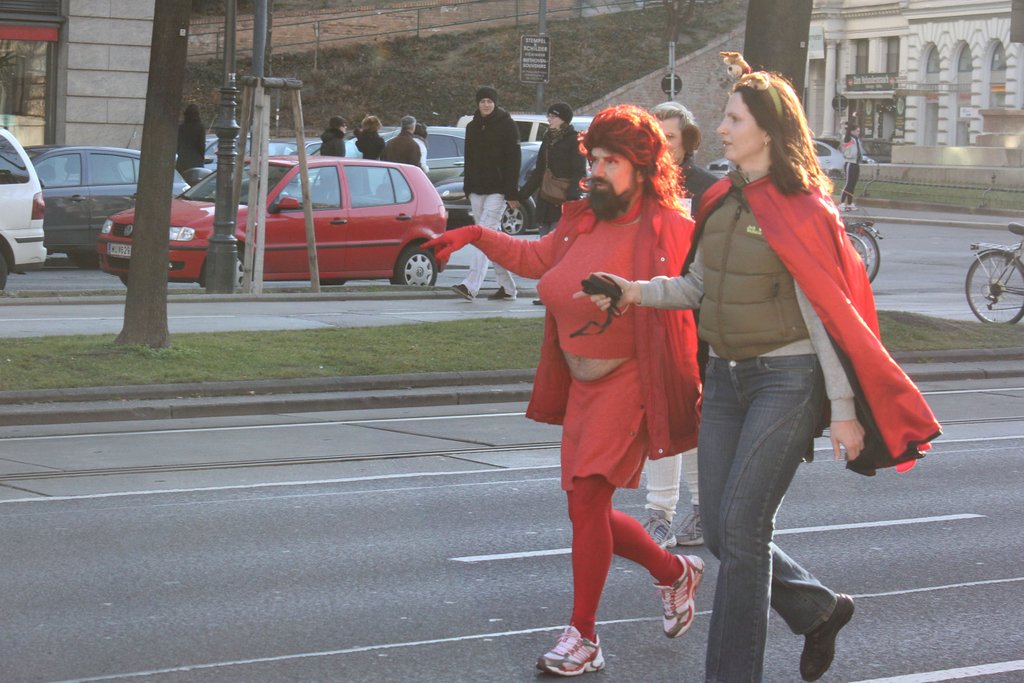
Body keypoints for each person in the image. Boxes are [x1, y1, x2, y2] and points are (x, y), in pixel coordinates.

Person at [581, 64, 941, 683]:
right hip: (725, 381)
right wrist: (632, 291)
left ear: (768, 131)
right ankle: (819, 610)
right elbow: (696, 287)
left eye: (734, 119)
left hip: (787, 380)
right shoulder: (718, 199)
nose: (720, 128)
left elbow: (826, 314)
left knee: (743, 532)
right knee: (723, 535)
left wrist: (844, 411)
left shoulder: (803, 208)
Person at [422, 105, 705, 678]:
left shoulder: (671, 228)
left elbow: (699, 293)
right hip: (581, 387)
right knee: (585, 510)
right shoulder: (582, 220)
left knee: (589, 501)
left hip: (631, 382)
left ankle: (584, 636)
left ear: (642, 167)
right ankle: (675, 572)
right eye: (593, 159)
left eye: (610, 162)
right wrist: (474, 234)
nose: (596, 171)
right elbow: (535, 258)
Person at [639, 100, 719, 549]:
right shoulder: (638, 184)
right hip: (650, 309)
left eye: (670, 137)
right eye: (656, 136)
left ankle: (698, 509)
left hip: (695, 314)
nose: (663, 144)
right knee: (661, 414)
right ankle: (662, 512)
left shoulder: (707, 188)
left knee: (690, 416)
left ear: (687, 142)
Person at [451, 86, 521, 302]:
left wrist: (511, 192)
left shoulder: (507, 125)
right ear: (478, 103)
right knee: (491, 239)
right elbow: (469, 158)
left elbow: (514, 160)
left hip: (498, 191)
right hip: (476, 190)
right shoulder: (472, 127)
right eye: (482, 101)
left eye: (490, 101)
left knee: (482, 235)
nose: (486, 104)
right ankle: (507, 287)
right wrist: (468, 186)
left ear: (495, 103)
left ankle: (470, 286)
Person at [518, 102, 587, 306]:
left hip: (563, 201)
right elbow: (539, 170)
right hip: (546, 199)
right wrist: (521, 195)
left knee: (559, 248)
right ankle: (546, 292)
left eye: (553, 116)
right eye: (549, 115)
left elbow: (579, 172)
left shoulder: (573, 140)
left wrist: (571, 197)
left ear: (563, 119)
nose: (549, 119)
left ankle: (559, 290)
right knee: (545, 248)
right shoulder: (548, 138)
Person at [176, 104, 206, 175]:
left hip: (182, 161)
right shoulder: (200, 127)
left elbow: (177, 145)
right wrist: (202, 156)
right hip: (196, 161)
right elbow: (202, 145)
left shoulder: (181, 128)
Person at [840, 121, 863, 210]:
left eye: (859, 131)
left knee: (853, 184)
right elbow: (845, 141)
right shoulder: (849, 139)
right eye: (857, 131)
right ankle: (842, 203)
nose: (858, 133)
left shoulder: (857, 140)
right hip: (850, 163)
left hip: (856, 163)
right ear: (852, 131)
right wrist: (849, 122)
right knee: (848, 183)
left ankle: (850, 203)